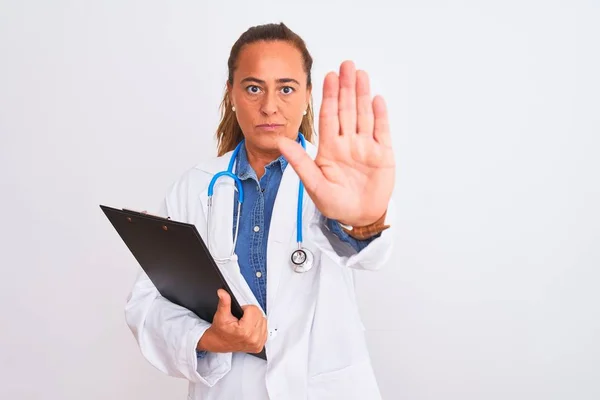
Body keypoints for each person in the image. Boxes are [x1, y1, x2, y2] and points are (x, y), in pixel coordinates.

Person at [125, 22, 396, 399]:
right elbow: (146, 306)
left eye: (286, 88)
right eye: (253, 88)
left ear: (307, 96)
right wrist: (207, 337)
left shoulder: (337, 177)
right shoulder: (193, 187)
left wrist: (362, 223)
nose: (270, 106)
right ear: (231, 94)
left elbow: (371, 256)